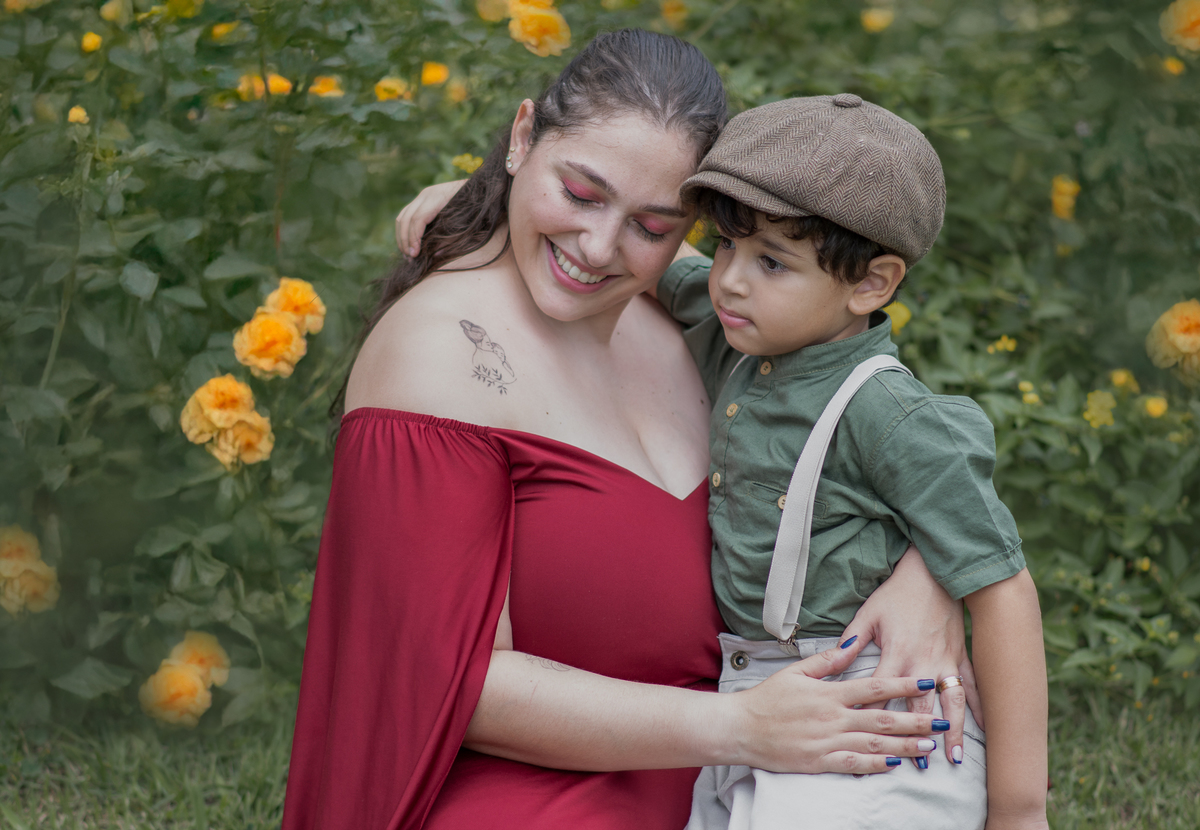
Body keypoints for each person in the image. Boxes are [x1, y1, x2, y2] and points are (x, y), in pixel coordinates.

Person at [286, 31, 981, 830]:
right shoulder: (437, 355)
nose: (597, 247)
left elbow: (879, 431)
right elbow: (442, 682)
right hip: (535, 795)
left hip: (732, 780)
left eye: (653, 226)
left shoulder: (692, 320)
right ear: (522, 138)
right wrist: (742, 728)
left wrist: (927, 574)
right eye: (580, 194)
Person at [654, 97, 1047, 829]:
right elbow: (652, 258)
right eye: (729, 246)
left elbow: (1005, 592)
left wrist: (1019, 812)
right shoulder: (737, 333)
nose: (731, 279)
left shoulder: (885, 415)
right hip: (752, 695)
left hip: (871, 705)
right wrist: (482, 199)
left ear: (871, 284)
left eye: (772, 261)